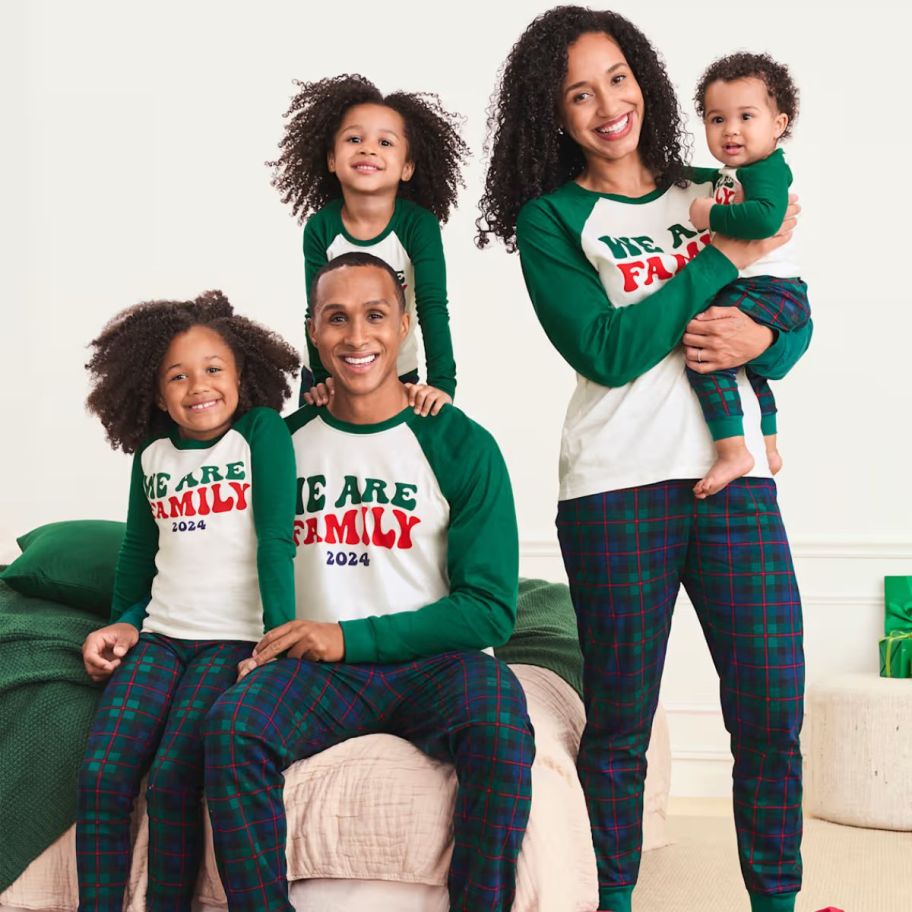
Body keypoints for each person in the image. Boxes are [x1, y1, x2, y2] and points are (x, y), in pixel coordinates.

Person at [477, 8, 810, 912]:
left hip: (732, 478)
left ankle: (775, 900)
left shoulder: (714, 188)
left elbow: (788, 315)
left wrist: (760, 334)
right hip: (615, 488)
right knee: (620, 725)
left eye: (618, 78)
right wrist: (720, 262)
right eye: (578, 93)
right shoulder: (553, 220)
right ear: (554, 114)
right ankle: (611, 899)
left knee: (773, 713)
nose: (606, 104)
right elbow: (609, 349)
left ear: (647, 82)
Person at [203, 253, 534, 912]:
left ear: (405, 324)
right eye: (337, 319)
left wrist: (342, 637)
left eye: (376, 315)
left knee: (500, 720)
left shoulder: (461, 444)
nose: (357, 338)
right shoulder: (278, 446)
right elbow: (223, 547)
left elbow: (490, 611)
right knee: (231, 730)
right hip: (316, 669)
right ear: (314, 332)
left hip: (434, 663)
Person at [76, 291, 299, 911]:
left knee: (174, 776)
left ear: (242, 376)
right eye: (177, 375)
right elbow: (135, 558)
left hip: (230, 641)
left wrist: (277, 643)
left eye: (213, 369)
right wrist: (120, 625)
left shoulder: (260, 434)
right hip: (160, 640)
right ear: (154, 391)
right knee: (102, 775)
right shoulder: (152, 456)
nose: (197, 386)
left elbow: (277, 540)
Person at [270, 74, 468, 415]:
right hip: (328, 371)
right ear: (332, 159)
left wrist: (441, 384)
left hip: (396, 373)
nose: (368, 148)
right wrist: (322, 380)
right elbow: (315, 312)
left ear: (407, 167)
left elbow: (432, 305)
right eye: (354, 138)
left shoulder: (417, 226)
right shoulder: (321, 228)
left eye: (385, 143)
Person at [686, 51, 810, 497]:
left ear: (778, 124)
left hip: (770, 288)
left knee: (706, 354)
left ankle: (734, 451)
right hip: (764, 288)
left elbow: (761, 220)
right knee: (746, 371)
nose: (730, 129)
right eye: (716, 119)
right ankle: (769, 446)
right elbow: (715, 182)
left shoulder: (767, 171)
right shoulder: (737, 171)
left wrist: (709, 214)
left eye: (745, 116)